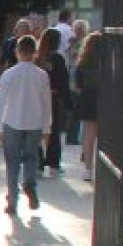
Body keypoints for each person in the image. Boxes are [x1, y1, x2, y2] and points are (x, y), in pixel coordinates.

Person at [0, 34, 52, 215]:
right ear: (35, 53)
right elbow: (46, 103)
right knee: (31, 157)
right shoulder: (42, 75)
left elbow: (1, 102)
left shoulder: (8, 74)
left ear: (17, 52)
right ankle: (30, 183)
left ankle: (12, 198)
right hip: (34, 122)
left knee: (12, 162)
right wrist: (46, 127)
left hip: (12, 121)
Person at [36, 27, 73, 176]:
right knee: (53, 130)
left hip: (37, 98)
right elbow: (63, 82)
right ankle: (53, 163)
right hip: (53, 98)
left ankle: (38, 161)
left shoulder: (37, 58)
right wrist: (69, 103)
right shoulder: (57, 58)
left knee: (37, 129)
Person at [75, 31, 105, 181]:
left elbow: (78, 86)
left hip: (87, 98)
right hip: (105, 98)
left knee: (88, 135)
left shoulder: (82, 63)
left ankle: (88, 169)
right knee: (105, 136)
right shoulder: (107, 63)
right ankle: (104, 168)